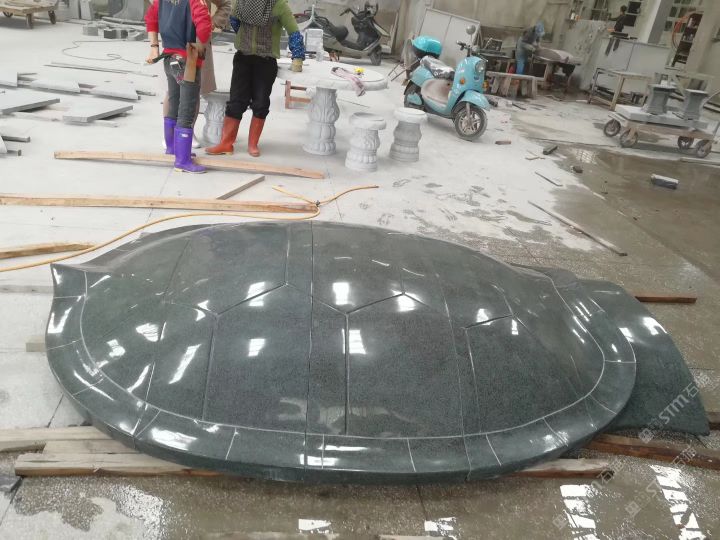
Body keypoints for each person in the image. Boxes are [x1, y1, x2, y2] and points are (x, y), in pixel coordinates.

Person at [205, 0, 305, 157]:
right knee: (236, 101)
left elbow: (294, 32)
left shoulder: (278, 5)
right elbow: (234, 21)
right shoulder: (241, 2)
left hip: (265, 61)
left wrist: (297, 56)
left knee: (260, 103)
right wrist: (244, 38)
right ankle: (226, 143)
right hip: (243, 58)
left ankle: (253, 144)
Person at [146, 0, 212, 173]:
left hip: (169, 58)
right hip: (187, 61)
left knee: (174, 103)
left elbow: (151, 18)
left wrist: (154, 46)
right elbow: (204, 27)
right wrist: (200, 46)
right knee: (187, 109)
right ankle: (182, 160)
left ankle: (172, 148)